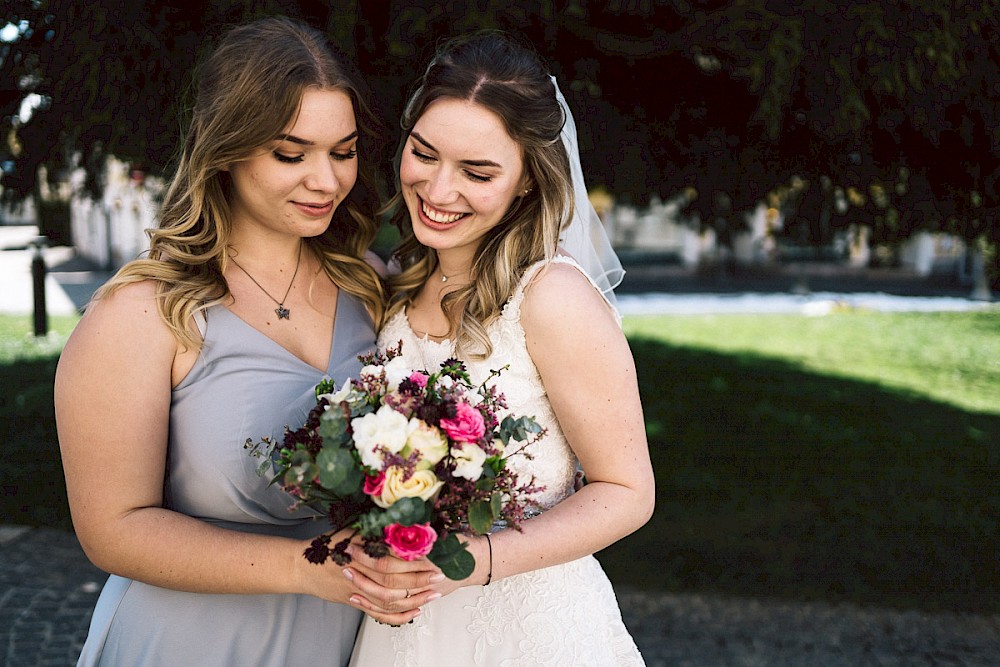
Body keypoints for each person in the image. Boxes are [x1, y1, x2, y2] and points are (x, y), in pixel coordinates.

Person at [54, 16, 439, 667]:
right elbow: (112, 530)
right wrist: (309, 566)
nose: (325, 180)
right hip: (190, 644)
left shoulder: (375, 289)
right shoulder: (142, 312)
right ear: (226, 150)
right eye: (291, 154)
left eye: (342, 151)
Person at [349, 31, 655, 666]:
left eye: (477, 172)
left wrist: (467, 563)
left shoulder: (551, 297)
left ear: (525, 182)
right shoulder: (399, 283)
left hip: (528, 630)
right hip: (401, 630)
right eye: (424, 154)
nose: (437, 189)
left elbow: (626, 491)